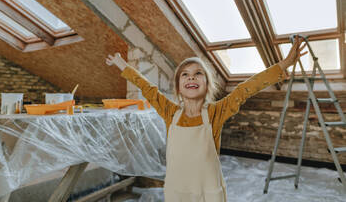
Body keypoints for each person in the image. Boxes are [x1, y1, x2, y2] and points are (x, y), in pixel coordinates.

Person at [106, 37, 307, 201]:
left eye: (198, 74)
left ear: (207, 85)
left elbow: (246, 89)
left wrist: (284, 65)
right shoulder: (170, 112)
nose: (191, 77)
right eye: (185, 74)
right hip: (177, 193)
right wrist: (122, 65)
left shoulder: (215, 112)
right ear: (178, 87)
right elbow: (147, 88)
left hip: (208, 194)